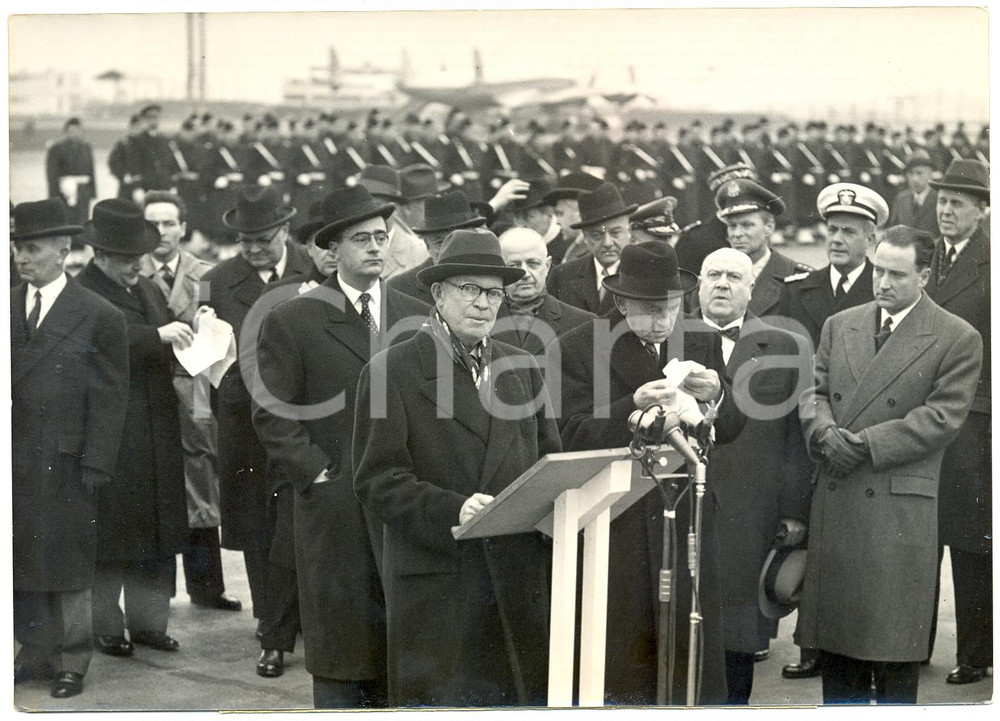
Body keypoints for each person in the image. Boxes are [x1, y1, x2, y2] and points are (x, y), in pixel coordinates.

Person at [353, 229, 561, 706]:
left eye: (493, 292)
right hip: (440, 584)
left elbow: (548, 459)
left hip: (515, 581)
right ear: (438, 294)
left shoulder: (522, 366)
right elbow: (377, 481)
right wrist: (454, 508)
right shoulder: (392, 371)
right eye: (470, 289)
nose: (484, 303)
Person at [252, 186, 428, 704]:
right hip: (335, 506)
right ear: (332, 250)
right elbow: (272, 412)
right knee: (342, 648)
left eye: (382, 237)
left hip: (404, 503)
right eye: (361, 240)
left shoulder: (416, 314)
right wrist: (317, 473)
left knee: (405, 638)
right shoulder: (293, 319)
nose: (376, 248)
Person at [795, 225, 982, 704]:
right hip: (838, 495)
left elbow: (941, 417)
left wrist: (864, 444)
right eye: (878, 270)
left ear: (924, 276)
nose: (882, 283)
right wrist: (824, 433)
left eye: (897, 275)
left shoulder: (957, 337)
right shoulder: (843, 324)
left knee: (893, 650)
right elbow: (813, 393)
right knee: (838, 657)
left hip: (896, 506)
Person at [557, 240, 746, 704]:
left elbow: (736, 426)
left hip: (686, 513)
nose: (663, 320)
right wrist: (630, 407)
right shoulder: (580, 346)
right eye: (648, 309)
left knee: (689, 647)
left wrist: (718, 394)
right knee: (626, 657)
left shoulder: (699, 338)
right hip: (616, 522)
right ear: (620, 302)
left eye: (672, 306)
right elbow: (564, 434)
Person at [11, 199, 129, 699]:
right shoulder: (6, 303)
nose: (21, 258)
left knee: (69, 561)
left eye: (32, 248)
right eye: (17, 248)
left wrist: (98, 460)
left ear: (64, 250)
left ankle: (71, 660)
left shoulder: (99, 314)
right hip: (14, 460)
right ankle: (32, 650)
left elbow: (111, 395)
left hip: (68, 461)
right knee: (20, 558)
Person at [776, 181, 889, 680]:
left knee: (861, 544)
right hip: (808, 432)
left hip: (861, 437)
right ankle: (812, 643)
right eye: (832, 229)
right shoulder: (800, 290)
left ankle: (861, 644)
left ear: (871, 238)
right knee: (810, 539)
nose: (837, 239)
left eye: (849, 231)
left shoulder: (882, 291)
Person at [696, 248, 814, 703]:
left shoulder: (784, 346)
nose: (722, 284)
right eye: (714, 275)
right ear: (699, 285)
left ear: (752, 290)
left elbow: (795, 439)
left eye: (734, 277)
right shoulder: (670, 339)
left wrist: (794, 512)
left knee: (737, 644)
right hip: (681, 507)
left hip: (750, 517)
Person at [76, 199, 191, 659]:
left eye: (139, 258)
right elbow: (99, 339)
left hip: (154, 425)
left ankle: (149, 623)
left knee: (157, 531)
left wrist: (188, 328)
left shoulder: (144, 287)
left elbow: (160, 332)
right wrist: (156, 337)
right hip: (114, 431)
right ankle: (106, 626)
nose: (136, 267)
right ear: (100, 256)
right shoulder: (82, 291)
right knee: (114, 534)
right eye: (127, 260)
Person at [200, 186, 311, 637]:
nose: (252, 250)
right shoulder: (217, 278)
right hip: (243, 419)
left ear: (284, 230)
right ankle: (270, 620)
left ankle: (307, 614)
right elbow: (206, 353)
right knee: (254, 523)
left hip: (303, 416)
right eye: (244, 241)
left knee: (303, 516)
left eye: (262, 240)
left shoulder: (314, 266)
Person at [139, 191, 242, 614]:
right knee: (155, 485)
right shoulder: (134, 271)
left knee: (202, 476)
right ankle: (156, 595)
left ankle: (207, 586)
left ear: (183, 226)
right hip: (150, 388)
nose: (162, 233)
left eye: (169, 224)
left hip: (197, 388)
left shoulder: (205, 274)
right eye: (154, 225)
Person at [925, 159, 992, 685]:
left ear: (982, 210)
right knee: (921, 533)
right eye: (942, 201)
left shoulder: (990, 261)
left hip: (975, 418)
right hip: (924, 414)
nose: (946, 211)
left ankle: (975, 654)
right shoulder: (929, 256)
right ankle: (910, 644)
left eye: (958, 203)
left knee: (970, 540)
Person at [712, 178, 810, 318]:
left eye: (747, 225)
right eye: (732, 226)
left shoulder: (796, 279)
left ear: (769, 227)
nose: (737, 234)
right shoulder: (714, 277)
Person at [492, 227, 594, 357]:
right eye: (514, 265)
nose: (525, 274)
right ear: (501, 270)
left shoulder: (583, 323)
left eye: (533, 263)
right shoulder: (483, 321)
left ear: (547, 266)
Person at [545, 182, 638, 316]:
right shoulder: (561, 276)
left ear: (628, 232)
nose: (607, 243)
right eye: (596, 235)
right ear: (585, 237)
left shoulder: (646, 274)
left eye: (615, 233)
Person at [387, 190, 487, 306]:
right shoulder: (398, 289)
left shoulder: (490, 283)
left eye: (459, 240)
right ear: (427, 246)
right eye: (440, 242)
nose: (450, 250)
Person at [356, 164, 428, 278]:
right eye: (360, 206)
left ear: (396, 208)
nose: (367, 213)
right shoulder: (344, 246)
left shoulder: (418, 251)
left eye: (376, 206)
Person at [45, 117, 96, 226]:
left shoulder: (86, 148)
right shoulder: (56, 148)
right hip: (64, 191)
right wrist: (54, 197)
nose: (76, 133)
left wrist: (92, 192)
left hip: (83, 191)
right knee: (66, 224)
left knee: (82, 224)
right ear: (66, 132)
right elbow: (52, 174)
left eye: (78, 130)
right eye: (72, 131)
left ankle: (80, 243)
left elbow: (91, 171)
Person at [886, 149, 939, 235]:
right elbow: (892, 231)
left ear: (930, 174)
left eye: (919, 173)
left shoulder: (939, 199)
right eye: (910, 173)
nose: (914, 179)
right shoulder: (901, 199)